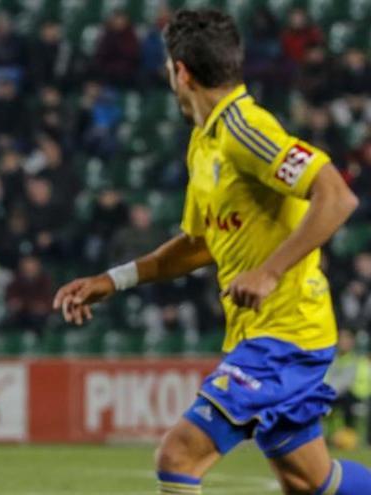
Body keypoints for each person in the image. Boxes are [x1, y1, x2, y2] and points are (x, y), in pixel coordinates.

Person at [53, 9, 371, 495]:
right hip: (267, 335)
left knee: (178, 455)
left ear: (180, 71)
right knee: (313, 482)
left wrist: (269, 271)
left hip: (286, 335)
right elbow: (199, 245)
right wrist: (111, 281)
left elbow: (336, 196)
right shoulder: (206, 142)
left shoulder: (246, 130)